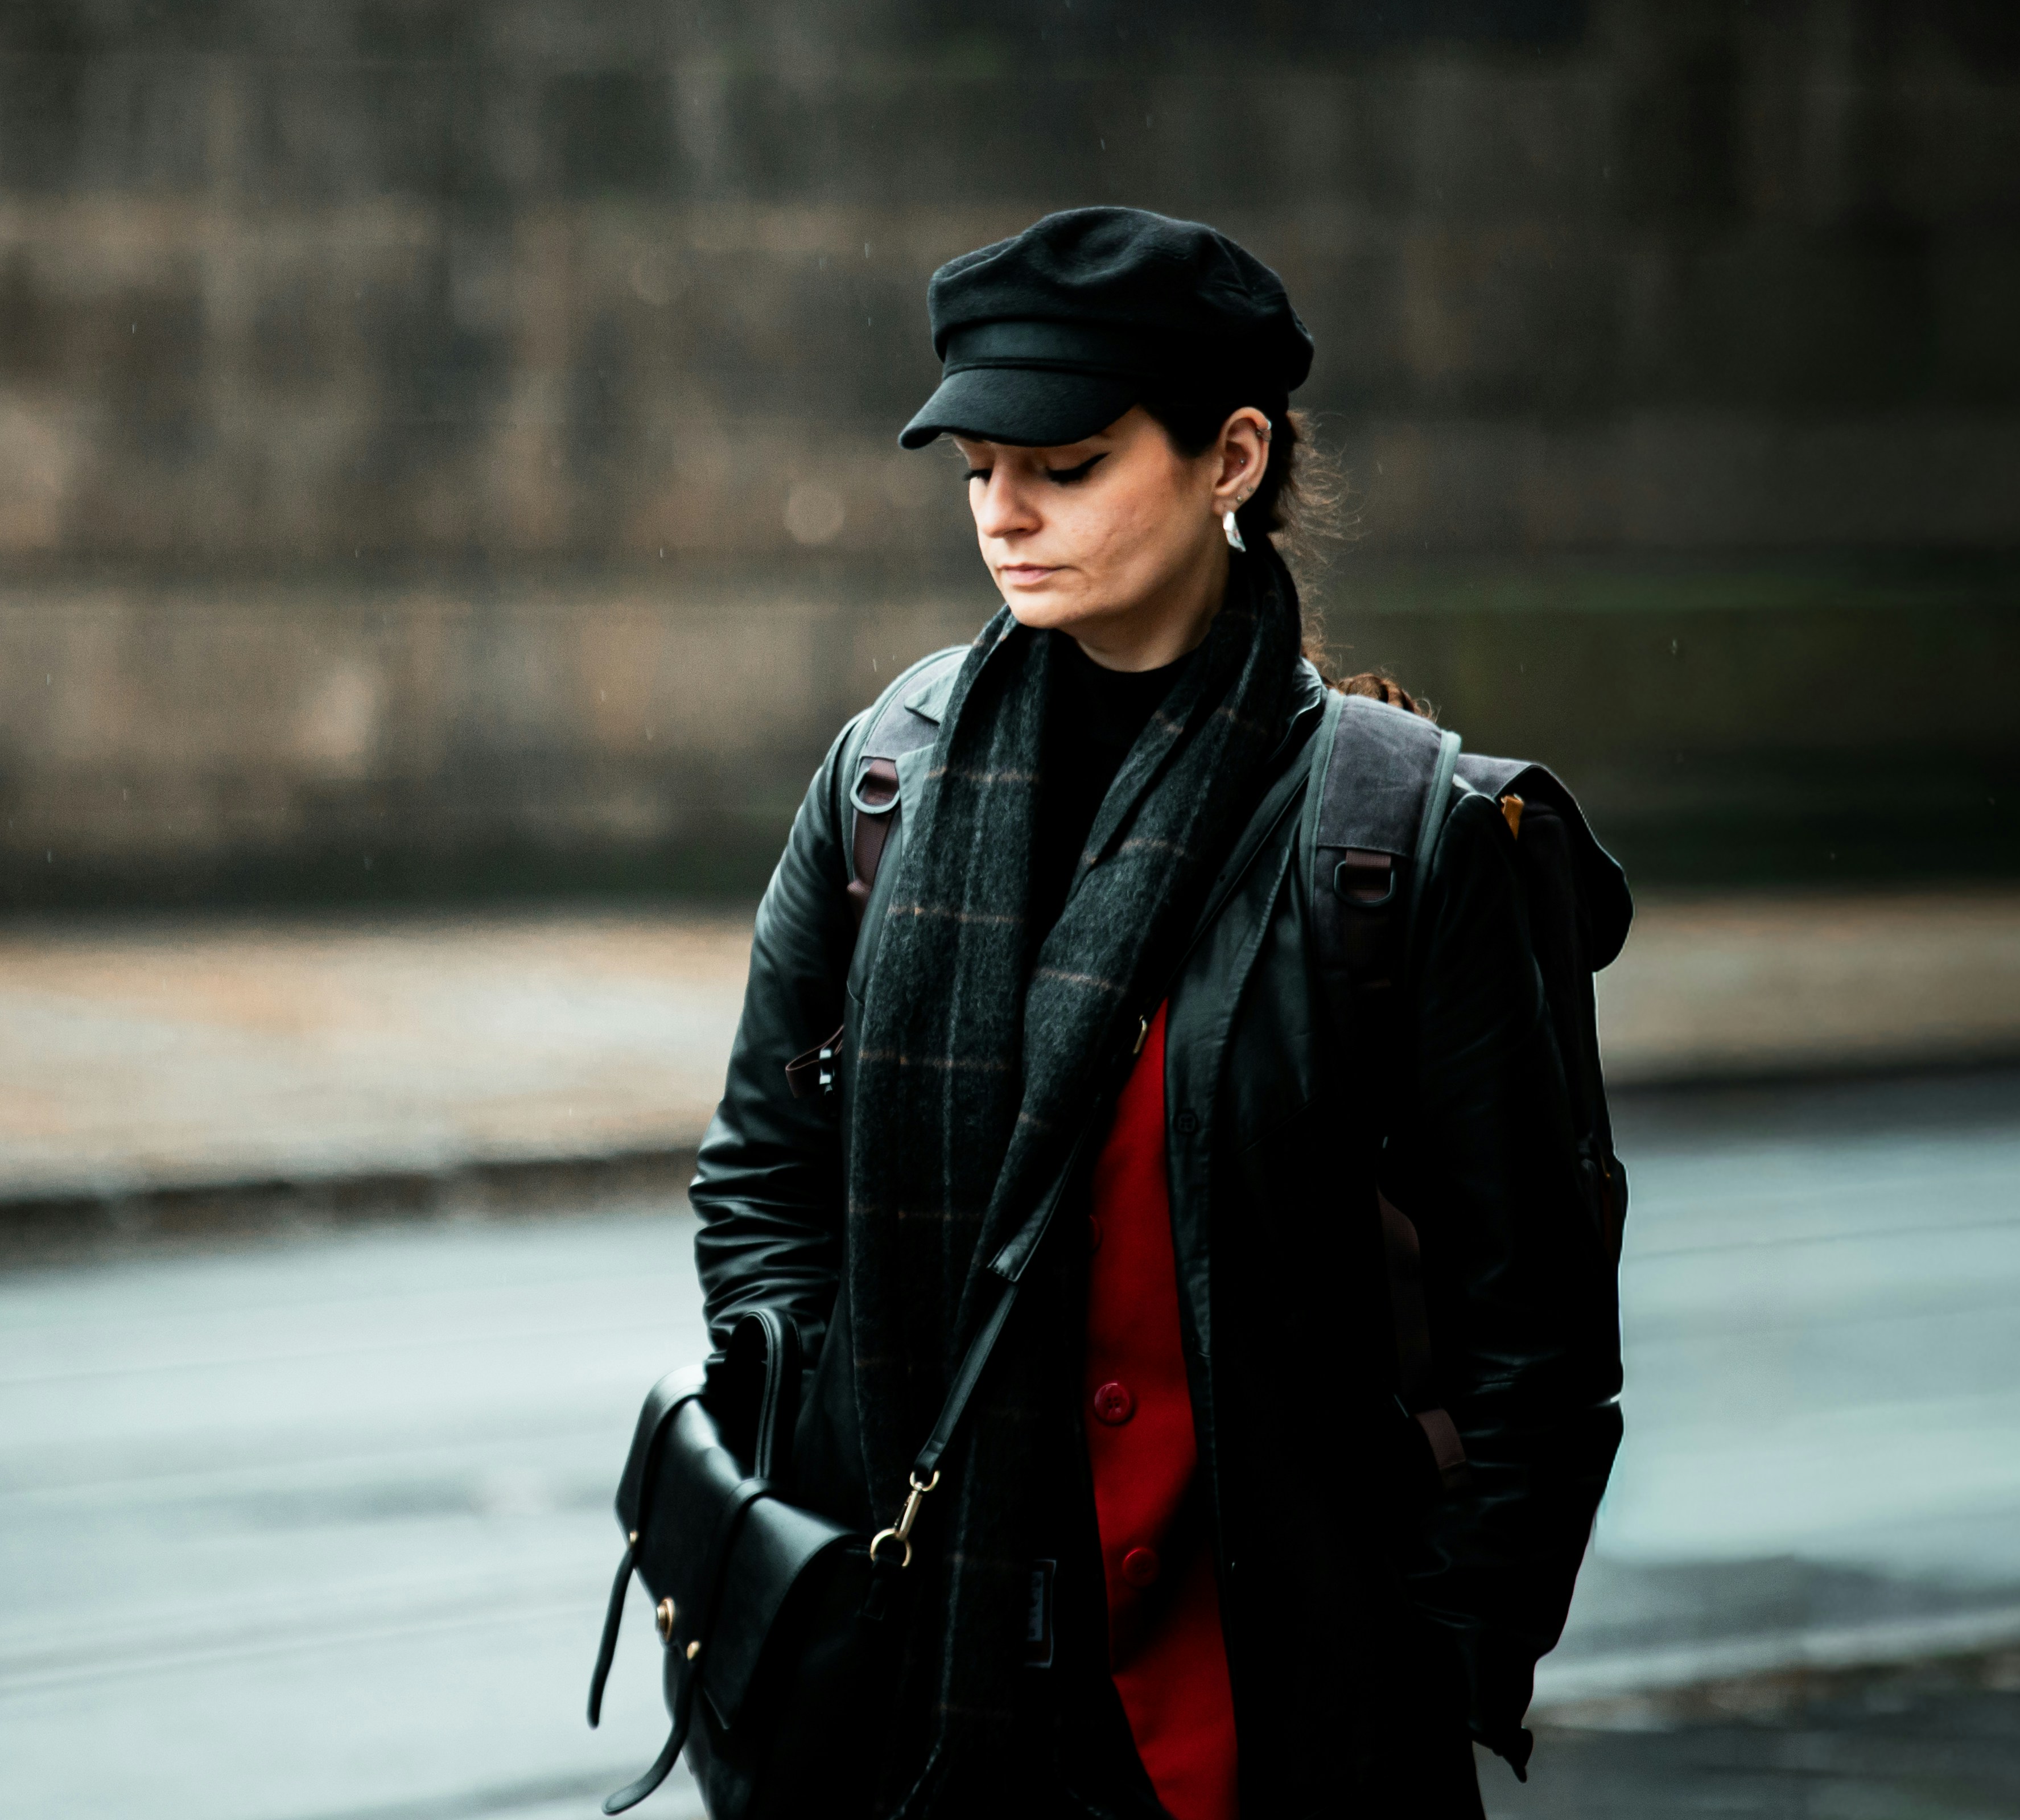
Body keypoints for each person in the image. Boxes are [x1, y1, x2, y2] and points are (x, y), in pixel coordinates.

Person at [689, 207, 1621, 1819]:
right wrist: (829, 1453)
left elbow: (1534, 1323)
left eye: (1064, 465)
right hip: (924, 1699)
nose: (1005, 514)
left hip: (1278, 1720)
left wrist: (1432, 1665)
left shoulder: (1401, 838)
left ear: (1232, 458)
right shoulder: (886, 785)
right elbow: (763, 1181)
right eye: (980, 468)